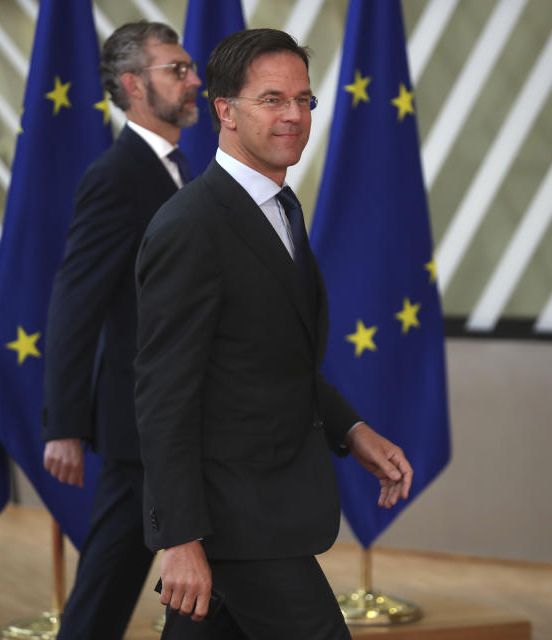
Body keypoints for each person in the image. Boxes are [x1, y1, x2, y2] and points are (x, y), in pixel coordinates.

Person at [134, 28, 414, 640]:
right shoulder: (191, 227)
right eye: (272, 99)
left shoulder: (282, 209)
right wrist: (179, 538)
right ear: (224, 111)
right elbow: (163, 394)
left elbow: (270, 359)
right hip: (236, 519)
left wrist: (351, 428)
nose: (294, 115)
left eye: (304, 100)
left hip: (266, 509)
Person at [41, 21, 202, 640]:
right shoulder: (116, 175)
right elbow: (75, 303)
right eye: (177, 71)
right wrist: (66, 425)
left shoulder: (179, 166)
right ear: (134, 85)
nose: (193, 82)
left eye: (190, 69)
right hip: (140, 429)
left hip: (183, 418)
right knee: (105, 591)